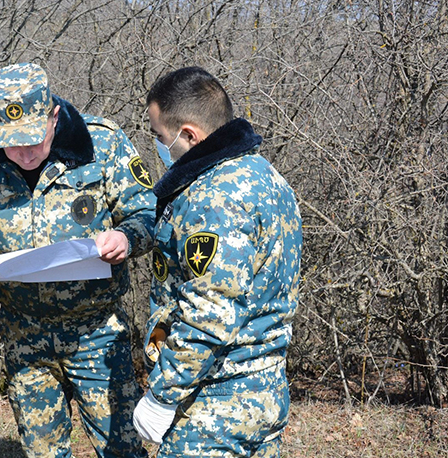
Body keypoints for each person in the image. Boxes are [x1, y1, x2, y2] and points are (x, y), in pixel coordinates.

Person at [0, 62, 155, 458]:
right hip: (25, 335)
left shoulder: (103, 144)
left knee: (123, 449)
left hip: (97, 331)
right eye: (11, 142)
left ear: (53, 117)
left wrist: (126, 237)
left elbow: (147, 214)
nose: (23, 153)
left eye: (32, 139)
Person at [132, 66, 303, 457]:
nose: (159, 146)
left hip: (214, 409)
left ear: (189, 134)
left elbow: (208, 313)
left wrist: (162, 395)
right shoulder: (266, 177)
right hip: (264, 392)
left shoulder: (214, 199)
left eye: (160, 136)